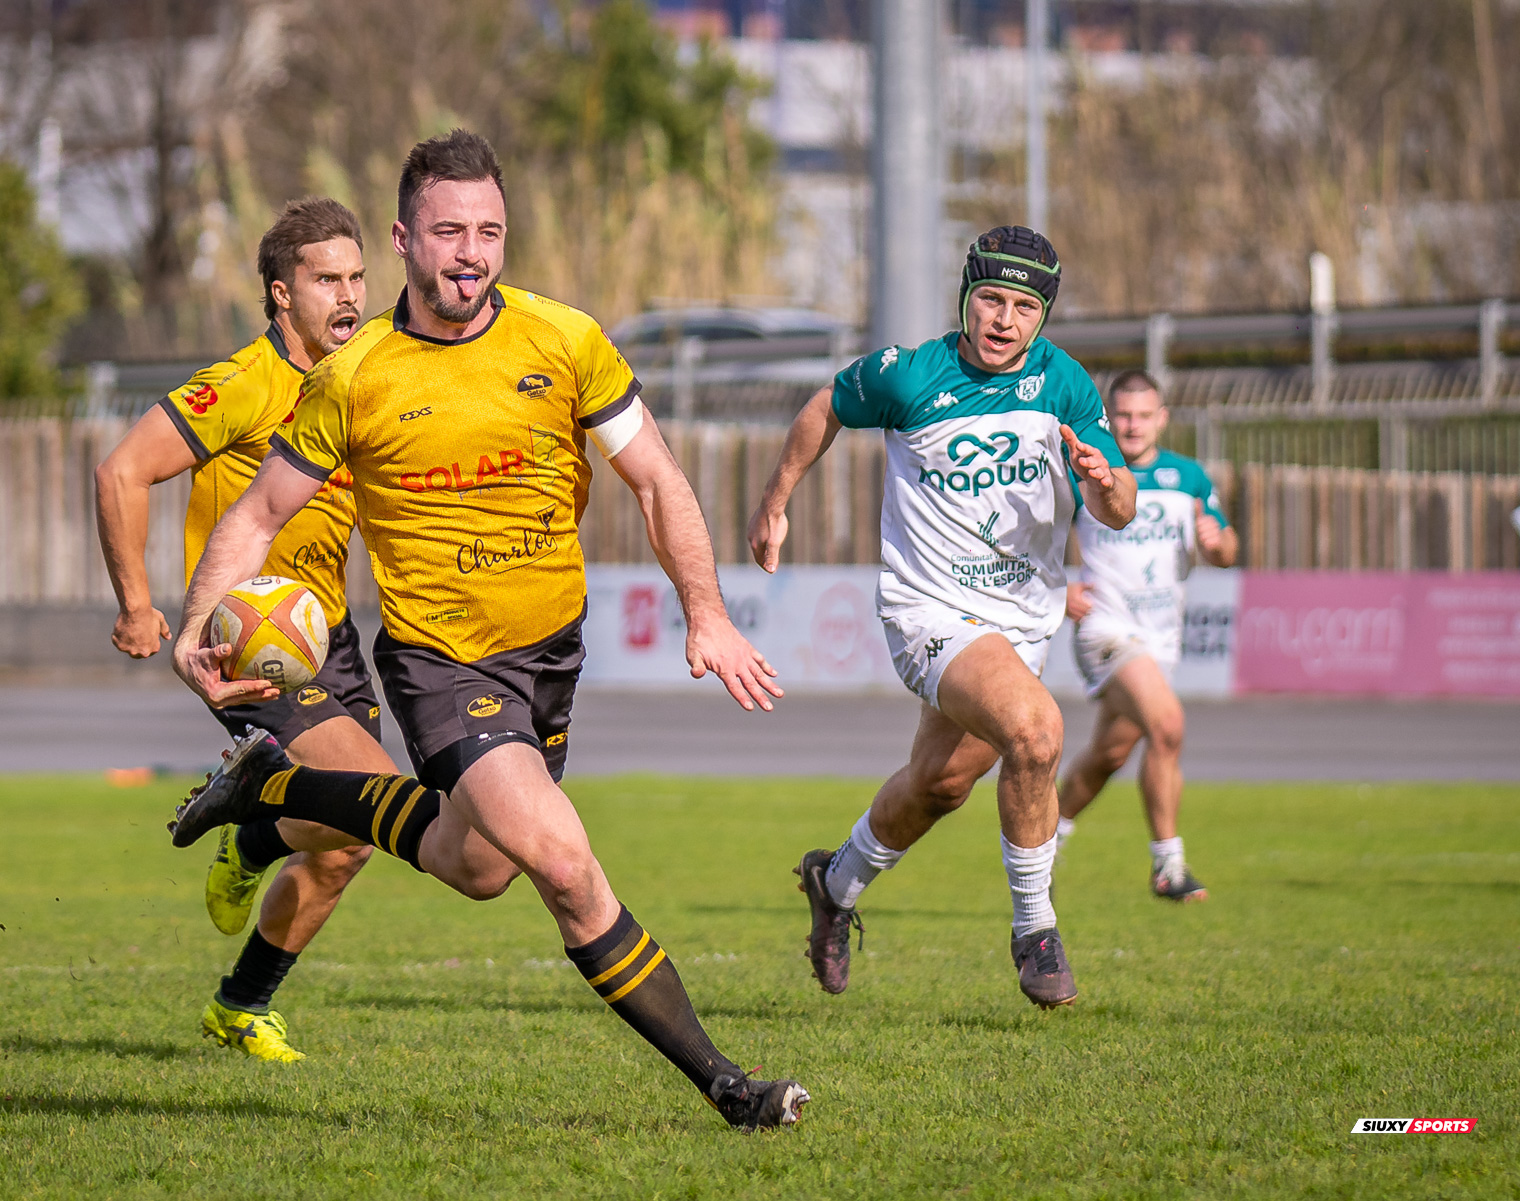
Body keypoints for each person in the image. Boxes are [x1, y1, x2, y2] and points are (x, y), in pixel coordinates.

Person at [164, 130, 808, 1130]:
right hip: (442, 664)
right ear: (405, 239)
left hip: (550, 655)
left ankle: (271, 791)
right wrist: (197, 627)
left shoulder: (565, 341)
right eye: (448, 230)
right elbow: (253, 516)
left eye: (489, 231)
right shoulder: (356, 375)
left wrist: (709, 613)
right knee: (564, 864)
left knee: (479, 867)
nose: (470, 250)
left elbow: (657, 478)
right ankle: (730, 1087)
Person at [747, 226, 1136, 1009]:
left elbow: (1118, 507)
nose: (1004, 319)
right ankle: (1036, 929)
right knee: (1036, 730)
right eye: (991, 298)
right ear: (966, 295)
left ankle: (836, 882)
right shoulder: (911, 373)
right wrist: (776, 499)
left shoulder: (1064, 384)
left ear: (1043, 315)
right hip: (930, 613)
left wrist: (1103, 480)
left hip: (1020, 623)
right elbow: (826, 405)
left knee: (940, 784)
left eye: (1024, 306)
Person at [95, 197, 400, 1063]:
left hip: (329, 638)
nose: (347, 296)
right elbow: (120, 471)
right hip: (249, 642)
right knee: (380, 799)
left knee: (350, 843)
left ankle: (241, 995)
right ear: (280, 294)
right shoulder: (243, 383)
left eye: (356, 277)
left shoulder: (360, 381)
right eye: (325, 280)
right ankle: (255, 821)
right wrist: (136, 604)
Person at [1056, 369, 1237, 902]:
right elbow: (1028, 538)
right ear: (1109, 418)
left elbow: (1226, 552)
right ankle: (1168, 868)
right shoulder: (1087, 471)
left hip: (1161, 642)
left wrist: (1217, 540)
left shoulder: (1190, 478)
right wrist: (1054, 593)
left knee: (1108, 757)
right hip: (1106, 632)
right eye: (1123, 416)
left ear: (1161, 419)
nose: (1132, 427)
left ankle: (1048, 836)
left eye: (1143, 416)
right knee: (1168, 725)